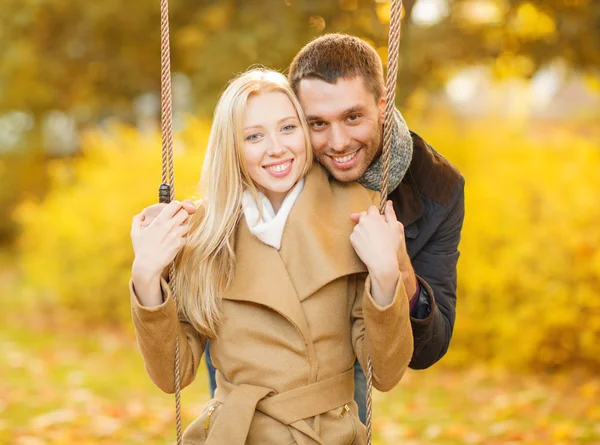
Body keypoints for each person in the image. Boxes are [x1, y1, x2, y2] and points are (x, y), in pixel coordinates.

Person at [129, 68, 414, 444]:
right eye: (254, 136)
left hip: (326, 434)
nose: (276, 148)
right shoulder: (202, 232)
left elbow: (385, 373)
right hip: (236, 433)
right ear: (233, 146)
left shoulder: (360, 216)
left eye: (288, 128)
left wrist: (385, 276)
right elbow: (173, 376)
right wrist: (147, 277)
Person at [286, 33, 466, 423]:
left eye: (353, 117)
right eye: (317, 123)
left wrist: (401, 271)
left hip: (352, 346)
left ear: (383, 105)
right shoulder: (280, 161)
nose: (337, 142)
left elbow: (428, 350)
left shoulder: (438, 190)